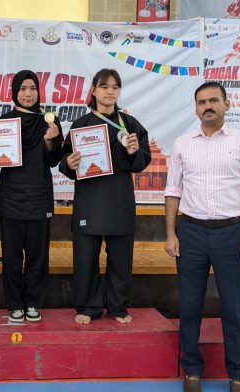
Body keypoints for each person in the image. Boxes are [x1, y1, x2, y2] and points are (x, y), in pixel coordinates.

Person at [164, 81, 240, 392]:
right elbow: (173, 191)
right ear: (195, 108)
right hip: (190, 233)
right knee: (190, 306)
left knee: (234, 309)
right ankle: (192, 371)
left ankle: (237, 375)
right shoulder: (182, 144)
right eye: (201, 102)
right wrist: (170, 233)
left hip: (233, 235)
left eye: (213, 100)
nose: (207, 106)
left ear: (227, 103)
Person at [59, 68, 151, 325]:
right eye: (104, 86)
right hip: (89, 201)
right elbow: (64, 163)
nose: (110, 91)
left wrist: (134, 152)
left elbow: (142, 162)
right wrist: (70, 162)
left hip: (120, 201)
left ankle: (118, 307)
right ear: (94, 90)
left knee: (120, 259)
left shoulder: (130, 125)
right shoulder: (80, 125)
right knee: (85, 258)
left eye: (115, 87)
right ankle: (89, 307)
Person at [0, 70, 63, 323]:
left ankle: (33, 302)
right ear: (15, 92)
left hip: (39, 198)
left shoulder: (50, 121)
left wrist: (50, 141)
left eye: (32, 88)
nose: (28, 93)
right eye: (22, 89)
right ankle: (14, 304)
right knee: (12, 258)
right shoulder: (5, 121)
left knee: (37, 256)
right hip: (11, 199)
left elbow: (54, 160)